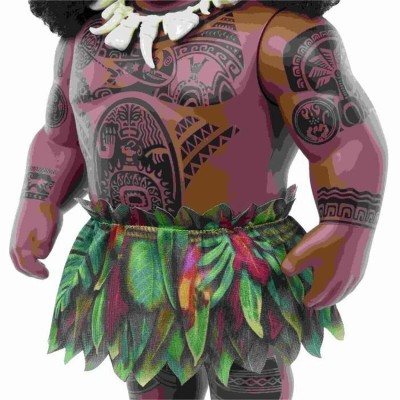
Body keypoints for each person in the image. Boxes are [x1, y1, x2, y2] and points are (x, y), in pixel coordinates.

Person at [9, 1, 387, 399]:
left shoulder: (279, 36)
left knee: (249, 378)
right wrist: (40, 200)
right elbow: (60, 140)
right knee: (153, 382)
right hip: (134, 263)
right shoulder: (85, 41)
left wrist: (347, 224)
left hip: (238, 262)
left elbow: (345, 136)